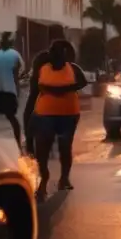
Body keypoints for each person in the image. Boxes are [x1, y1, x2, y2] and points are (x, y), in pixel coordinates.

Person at [33, 39, 88, 199]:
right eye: (55, 54)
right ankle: (44, 180)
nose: (58, 58)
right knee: (42, 149)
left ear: (66, 55)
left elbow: (83, 82)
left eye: (61, 54)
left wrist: (61, 89)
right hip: (45, 114)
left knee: (65, 147)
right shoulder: (43, 68)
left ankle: (64, 178)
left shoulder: (73, 68)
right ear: (50, 55)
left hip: (68, 114)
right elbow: (38, 86)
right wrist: (65, 89)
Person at [23, 49, 50, 154]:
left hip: (39, 100)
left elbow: (33, 91)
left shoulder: (36, 77)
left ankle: (29, 147)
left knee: (27, 116)